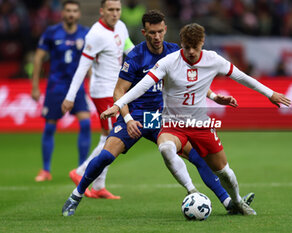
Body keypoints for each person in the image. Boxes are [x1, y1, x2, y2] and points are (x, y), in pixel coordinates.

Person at [61, 10, 254, 217]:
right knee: (105, 156)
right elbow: (119, 91)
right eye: (152, 32)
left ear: (165, 30)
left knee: (198, 156)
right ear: (144, 32)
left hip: (162, 118)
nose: (156, 37)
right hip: (134, 116)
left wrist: (214, 96)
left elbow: (191, 81)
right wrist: (127, 119)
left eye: (160, 31)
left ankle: (228, 202)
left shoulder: (175, 52)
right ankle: (76, 195)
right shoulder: (135, 55)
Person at [101, 23, 292, 215]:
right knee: (166, 148)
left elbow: (242, 77)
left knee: (224, 171)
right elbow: (142, 86)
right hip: (173, 125)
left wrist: (270, 93)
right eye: (187, 47)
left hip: (200, 124)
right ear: (181, 43)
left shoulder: (213, 60)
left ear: (202, 43)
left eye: (195, 47)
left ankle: (236, 202)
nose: (191, 52)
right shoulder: (169, 61)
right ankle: (192, 191)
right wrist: (118, 105)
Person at [61, 0, 135, 199]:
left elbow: (130, 50)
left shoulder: (121, 26)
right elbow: (83, 67)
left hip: (116, 90)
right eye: (110, 10)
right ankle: (80, 172)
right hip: (103, 91)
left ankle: (99, 186)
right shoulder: (95, 34)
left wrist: (147, 63)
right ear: (102, 11)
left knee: (108, 136)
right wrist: (70, 96)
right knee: (110, 137)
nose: (114, 13)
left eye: (117, 9)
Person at [31, 0, 91, 182]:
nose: (71, 14)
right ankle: (46, 170)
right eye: (68, 10)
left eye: (74, 11)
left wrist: (93, 80)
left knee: (86, 124)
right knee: (50, 126)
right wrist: (34, 86)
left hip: (77, 86)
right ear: (62, 13)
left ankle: (82, 169)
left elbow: (90, 60)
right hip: (56, 86)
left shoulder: (86, 33)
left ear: (79, 14)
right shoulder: (51, 32)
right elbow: (38, 58)